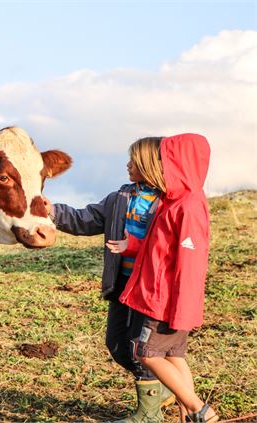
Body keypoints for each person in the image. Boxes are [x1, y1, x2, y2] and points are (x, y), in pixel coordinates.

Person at [46, 136, 175, 422]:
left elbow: (169, 246)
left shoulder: (170, 202)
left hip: (150, 289)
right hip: (121, 285)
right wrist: (52, 211)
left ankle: (148, 414)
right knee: (117, 345)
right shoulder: (120, 198)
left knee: (141, 348)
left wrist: (135, 246)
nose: (128, 165)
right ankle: (166, 386)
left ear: (149, 164)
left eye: (133, 160)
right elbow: (87, 218)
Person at [106, 133, 218, 423]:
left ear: (179, 164)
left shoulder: (188, 207)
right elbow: (159, 246)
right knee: (173, 356)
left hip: (165, 301)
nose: (160, 165)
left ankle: (198, 409)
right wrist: (129, 246)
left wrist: (180, 308)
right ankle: (187, 414)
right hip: (157, 295)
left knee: (145, 353)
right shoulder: (172, 201)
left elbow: (189, 264)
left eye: (163, 160)